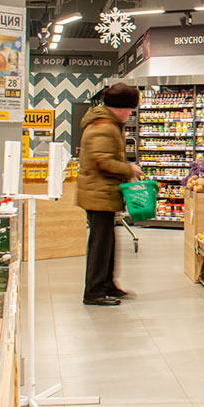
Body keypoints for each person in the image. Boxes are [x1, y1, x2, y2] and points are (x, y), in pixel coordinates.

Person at [75, 84, 142, 306]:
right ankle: (94, 292)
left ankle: (107, 284)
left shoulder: (108, 123)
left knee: (107, 242)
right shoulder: (103, 126)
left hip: (102, 192)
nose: (130, 113)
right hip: (98, 193)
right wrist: (128, 169)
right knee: (100, 244)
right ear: (120, 107)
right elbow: (102, 161)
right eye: (129, 109)